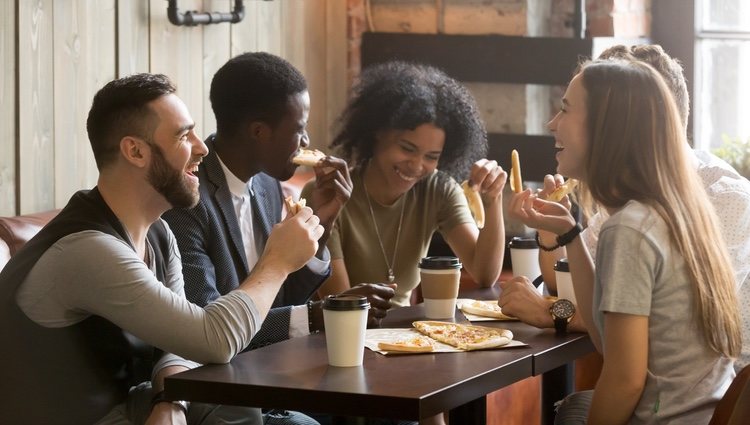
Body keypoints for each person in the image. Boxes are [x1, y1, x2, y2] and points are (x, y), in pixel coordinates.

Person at [0, 73, 323, 424]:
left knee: (260, 410)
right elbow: (212, 339)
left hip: (133, 405)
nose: (201, 148)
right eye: (184, 135)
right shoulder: (88, 250)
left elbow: (177, 343)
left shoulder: (159, 232)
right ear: (135, 151)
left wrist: (171, 401)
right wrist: (277, 262)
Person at [161, 52, 396, 424]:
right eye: (298, 128)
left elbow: (282, 296)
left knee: (389, 403)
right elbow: (207, 328)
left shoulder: (270, 185)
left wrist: (321, 223)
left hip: (274, 372)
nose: (306, 140)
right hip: (226, 389)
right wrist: (318, 316)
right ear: (258, 131)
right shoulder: (189, 200)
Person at [508, 58, 741, 423]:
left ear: (606, 130)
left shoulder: (631, 230)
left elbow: (624, 381)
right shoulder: (674, 211)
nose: (552, 124)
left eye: (565, 110)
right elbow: (607, 343)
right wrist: (570, 234)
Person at [312, 61, 508, 309]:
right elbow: (341, 307)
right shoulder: (328, 194)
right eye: (407, 149)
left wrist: (493, 201)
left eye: (431, 157)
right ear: (378, 132)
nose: (417, 166)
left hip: (409, 337)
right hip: (343, 336)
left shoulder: (438, 189)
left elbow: (483, 273)